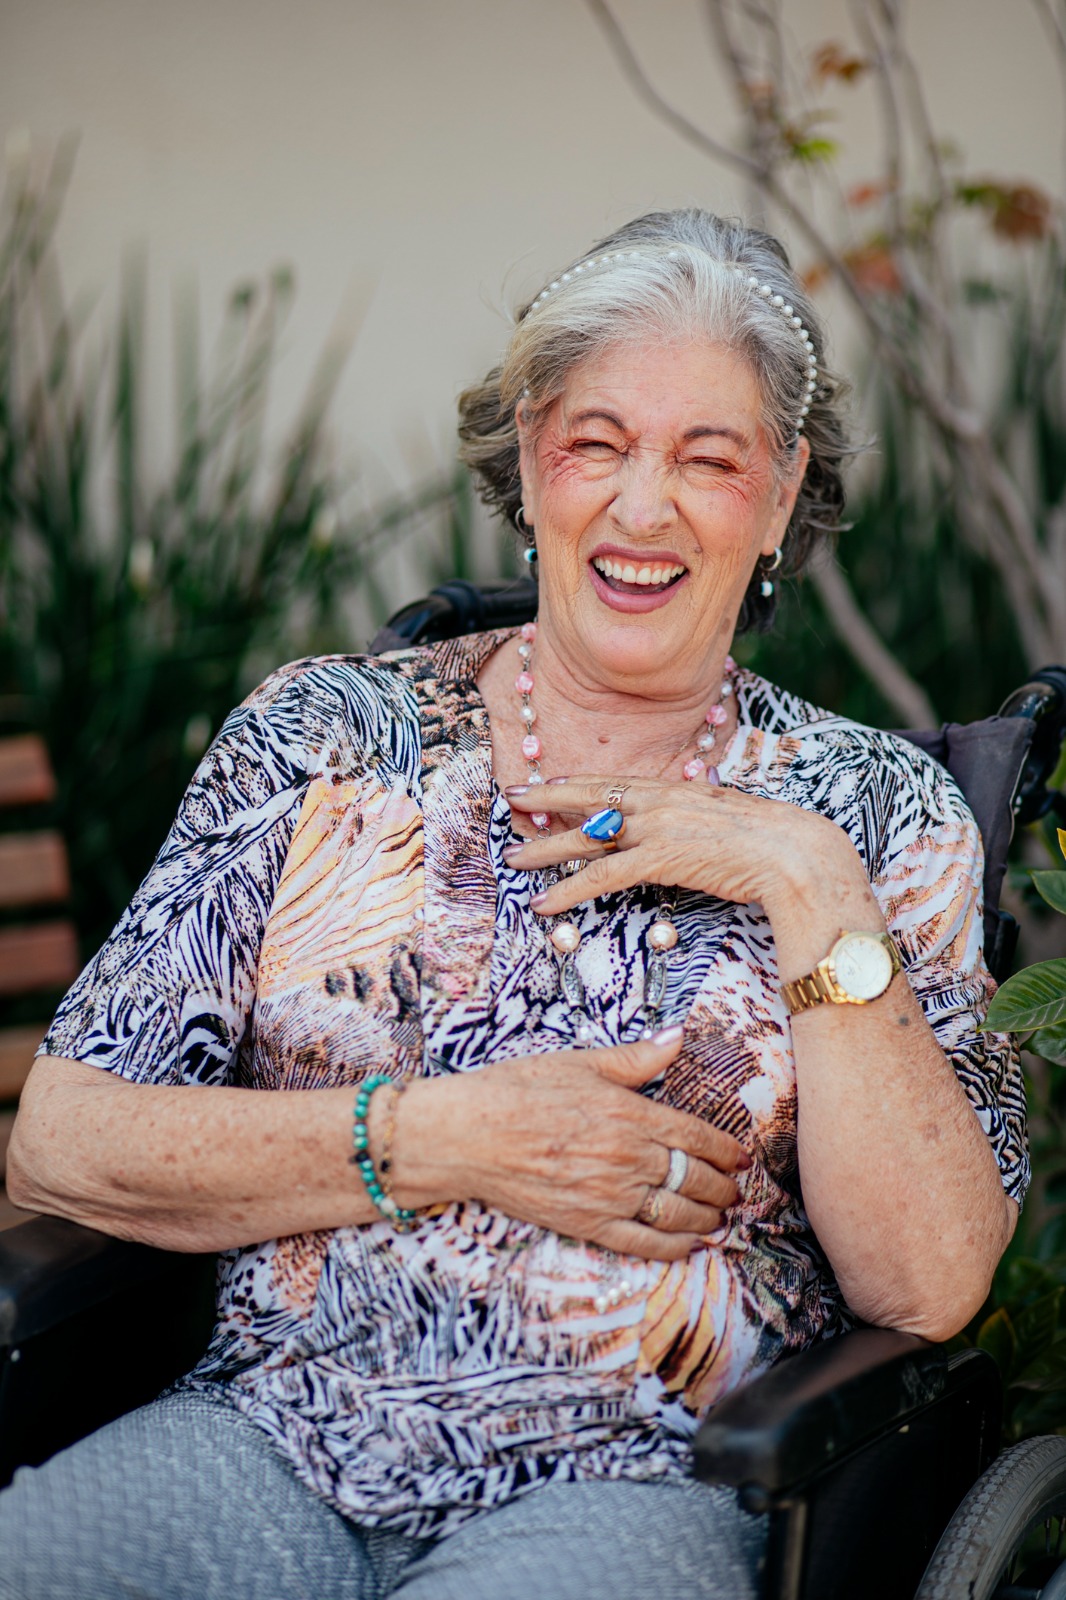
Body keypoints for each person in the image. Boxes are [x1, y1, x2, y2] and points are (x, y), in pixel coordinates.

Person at [1, 209, 1026, 1600]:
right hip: (271, 1436)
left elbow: (928, 1284)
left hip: (634, 1483)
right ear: (532, 458)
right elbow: (62, 1145)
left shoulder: (872, 811)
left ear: (783, 494)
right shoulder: (321, 736)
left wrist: (806, 881)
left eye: (709, 457)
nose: (644, 507)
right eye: (598, 442)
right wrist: (446, 1137)